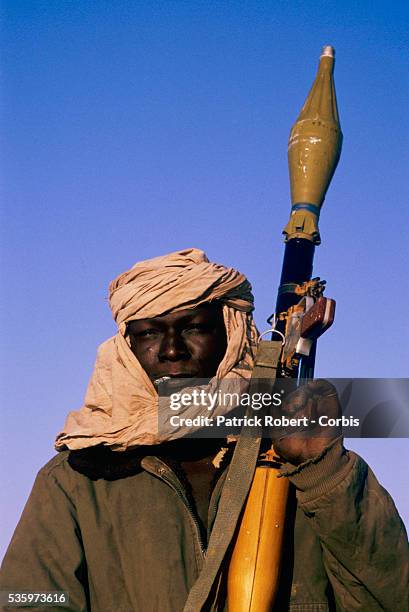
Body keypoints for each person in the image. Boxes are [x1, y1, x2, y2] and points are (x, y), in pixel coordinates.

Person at [0, 248, 407, 612]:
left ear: (230, 334)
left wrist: (325, 472)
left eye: (194, 327)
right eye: (149, 333)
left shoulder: (307, 463)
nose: (172, 350)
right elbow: (27, 598)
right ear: (127, 349)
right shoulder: (78, 478)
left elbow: (391, 596)